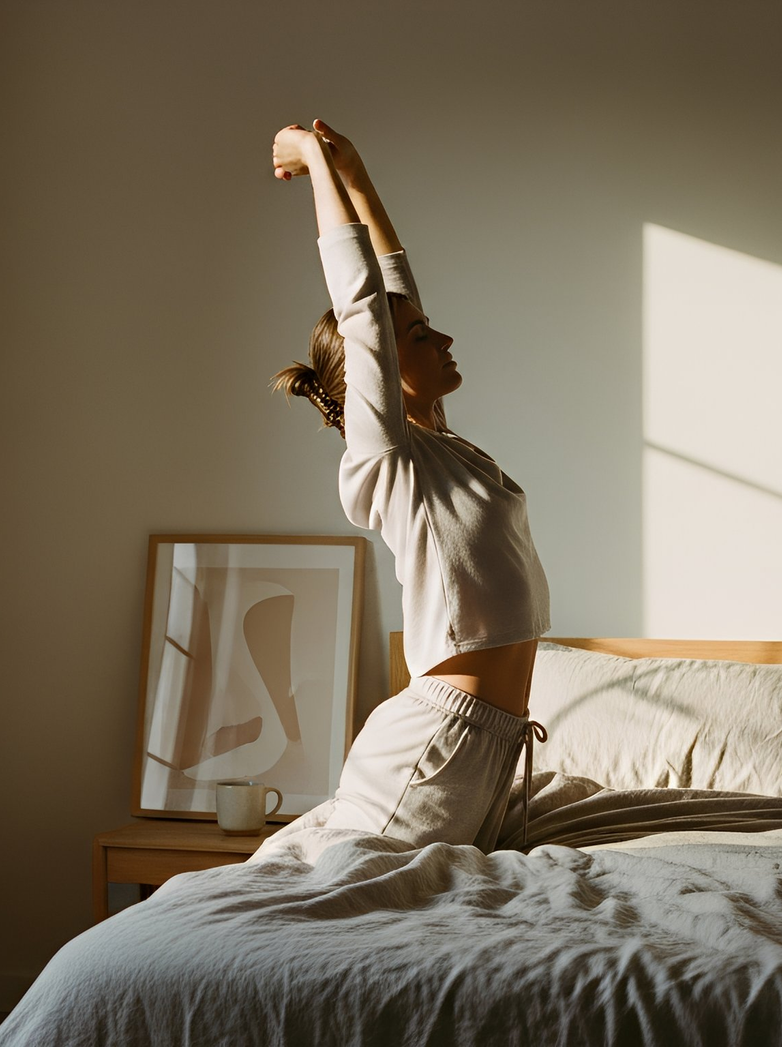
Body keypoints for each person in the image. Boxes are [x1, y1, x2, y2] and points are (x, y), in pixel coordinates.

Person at [262, 119, 552, 851]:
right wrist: (312, 167)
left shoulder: (442, 445)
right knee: (341, 917)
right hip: (437, 750)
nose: (445, 339)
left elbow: (391, 283)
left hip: (489, 754)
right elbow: (365, 304)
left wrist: (354, 172)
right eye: (422, 337)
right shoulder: (387, 457)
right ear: (380, 374)